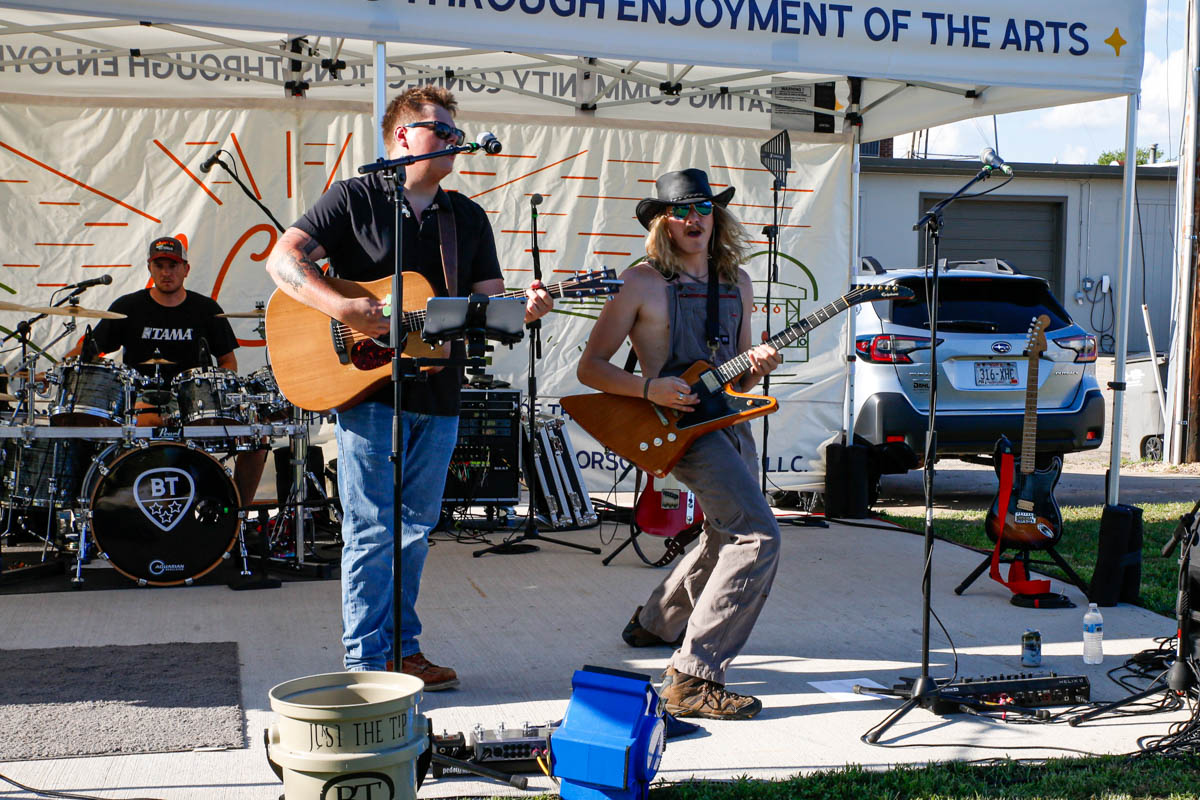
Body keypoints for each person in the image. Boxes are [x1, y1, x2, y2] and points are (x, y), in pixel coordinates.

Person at [265, 86, 552, 686]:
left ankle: (402, 648)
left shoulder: (464, 217)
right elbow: (283, 260)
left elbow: (488, 306)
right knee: (372, 531)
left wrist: (522, 310)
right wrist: (342, 308)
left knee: (416, 531)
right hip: (370, 393)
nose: (454, 141)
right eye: (442, 131)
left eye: (456, 133)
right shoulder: (354, 197)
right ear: (402, 136)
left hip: (439, 394)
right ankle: (365, 664)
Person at [576, 169, 783, 720]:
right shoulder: (639, 282)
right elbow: (590, 368)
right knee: (757, 535)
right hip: (677, 428)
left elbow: (740, 378)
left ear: (718, 216)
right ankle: (693, 677)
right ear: (663, 223)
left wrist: (759, 365)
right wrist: (648, 387)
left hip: (729, 421)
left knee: (725, 529)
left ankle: (655, 623)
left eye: (704, 208)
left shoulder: (738, 281)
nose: (695, 219)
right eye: (682, 210)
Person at [65, 236, 267, 505]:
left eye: (173, 266)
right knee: (92, 424)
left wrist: (214, 393)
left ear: (186, 269)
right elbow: (88, 351)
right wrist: (60, 369)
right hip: (138, 402)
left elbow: (228, 362)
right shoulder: (128, 307)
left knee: (257, 436)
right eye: (159, 266)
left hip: (193, 403)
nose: (166, 272)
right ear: (149, 268)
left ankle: (238, 511)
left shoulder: (206, 310)